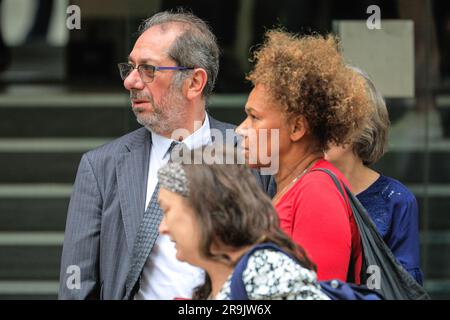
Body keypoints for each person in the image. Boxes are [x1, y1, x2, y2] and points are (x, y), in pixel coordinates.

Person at [59, 10, 272, 300]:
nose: (130, 82)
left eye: (148, 69)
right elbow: (77, 285)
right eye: (130, 67)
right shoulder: (100, 167)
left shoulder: (253, 154)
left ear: (194, 82)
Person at [236, 30, 372, 284]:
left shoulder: (317, 192)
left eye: (254, 117)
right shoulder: (296, 185)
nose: (240, 129)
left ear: (297, 128)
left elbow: (317, 292)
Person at [156, 149, 329, 300]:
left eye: (167, 210)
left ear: (206, 208)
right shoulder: (225, 278)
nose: (162, 228)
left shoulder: (265, 271)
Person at [325, 66, 423, 284]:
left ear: (362, 124)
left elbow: (404, 287)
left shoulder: (396, 200)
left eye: (337, 119)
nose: (323, 128)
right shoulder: (300, 191)